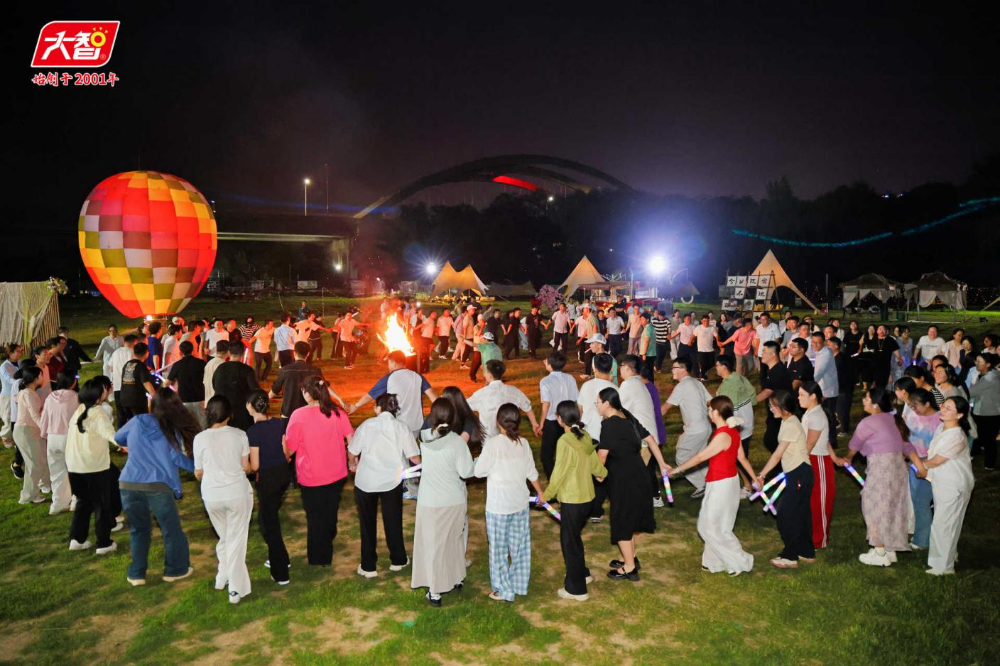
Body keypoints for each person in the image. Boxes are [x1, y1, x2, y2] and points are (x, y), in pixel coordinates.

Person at [116, 388, 198, 586]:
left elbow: (118, 437)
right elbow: (176, 457)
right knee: (171, 530)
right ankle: (175, 570)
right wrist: (198, 469)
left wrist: (134, 442)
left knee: (139, 529)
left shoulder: (137, 421)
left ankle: (137, 574)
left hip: (128, 484)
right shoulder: (170, 430)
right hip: (157, 486)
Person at [667, 396, 756, 575]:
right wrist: (755, 478)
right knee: (720, 524)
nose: (708, 412)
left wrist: (677, 470)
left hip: (721, 484)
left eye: (709, 409)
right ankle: (712, 562)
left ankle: (739, 561)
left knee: (707, 526)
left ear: (716, 412)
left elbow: (701, 457)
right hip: (729, 482)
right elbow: (742, 458)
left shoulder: (723, 435)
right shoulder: (733, 431)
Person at [832, 388, 917, 566]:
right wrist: (920, 465)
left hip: (882, 469)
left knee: (873, 507)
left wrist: (848, 458)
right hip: (898, 469)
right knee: (893, 508)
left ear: (876, 404)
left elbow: (854, 444)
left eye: (867, 398)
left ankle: (879, 553)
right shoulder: (894, 419)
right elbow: (906, 445)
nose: (864, 400)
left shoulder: (869, 422)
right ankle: (890, 550)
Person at [596, 387, 668, 581]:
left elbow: (602, 454)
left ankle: (629, 568)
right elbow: (650, 439)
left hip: (623, 477)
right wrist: (661, 463)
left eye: (598, 402)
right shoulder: (626, 415)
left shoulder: (609, 425)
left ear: (607, 404)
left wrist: (598, 474)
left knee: (621, 520)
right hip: (639, 472)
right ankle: (630, 557)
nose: (596, 406)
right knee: (628, 517)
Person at [537, 401, 607, 601]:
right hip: (587, 498)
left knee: (569, 542)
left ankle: (576, 590)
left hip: (572, 499)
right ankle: (583, 574)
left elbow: (559, 472)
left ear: (560, 419)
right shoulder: (584, 435)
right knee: (574, 537)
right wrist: (602, 473)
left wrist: (546, 495)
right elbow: (593, 461)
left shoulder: (564, 441)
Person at [475, 404, 544, 602]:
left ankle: (503, 590)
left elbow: (479, 471)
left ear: (498, 422)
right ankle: (519, 584)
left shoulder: (492, 444)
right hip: (520, 503)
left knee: (498, 550)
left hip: (499, 506)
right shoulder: (523, 443)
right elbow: (531, 472)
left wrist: (481, 459)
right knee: (520, 546)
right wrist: (540, 492)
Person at [348, 393, 421, 578]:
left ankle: (368, 566)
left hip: (366, 481)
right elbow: (414, 456)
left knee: (367, 524)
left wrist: (352, 463)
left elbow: (352, 450)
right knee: (393, 520)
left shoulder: (367, 425)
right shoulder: (401, 427)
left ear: (378, 408)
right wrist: (426, 468)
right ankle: (398, 560)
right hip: (391, 481)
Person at [284, 376, 354, 566]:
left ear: (307, 393)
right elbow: (351, 438)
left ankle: (318, 557)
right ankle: (327, 540)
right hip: (336, 473)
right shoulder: (337, 413)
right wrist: (352, 460)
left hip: (311, 475)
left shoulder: (298, 415)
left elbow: (290, 449)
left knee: (315, 516)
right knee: (330, 512)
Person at [412, 398, 475, 606]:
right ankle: (454, 578)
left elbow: (429, 435)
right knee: (453, 541)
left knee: (434, 545)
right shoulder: (457, 442)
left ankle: (435, 590)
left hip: (430, 501)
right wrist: (478, 462)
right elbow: (466, 471)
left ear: (432, 416)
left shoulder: (424, 438)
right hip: (453, 500)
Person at [193, 396, 254, 603]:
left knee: (226, 537)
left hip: (212, 496)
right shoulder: (239, 435)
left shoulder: (199, 439)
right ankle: (235, 589)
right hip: (236, 493)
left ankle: (222, 576)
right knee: (235, 541)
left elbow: (198, 472)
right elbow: (246, 467)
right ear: (229, 414)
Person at [754, 390, 816, 568]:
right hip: (800, 473)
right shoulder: (788, 421)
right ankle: (806, 552)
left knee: (786, 515)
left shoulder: (790, 425)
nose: (770, 409)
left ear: (784, 407)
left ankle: (790, 556)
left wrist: (761, 475)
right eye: (770, 406)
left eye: (773, 406)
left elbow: (777, 455)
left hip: (798, 474)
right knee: (801, 514)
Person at [916, 396, 975, 575]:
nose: (943, 409)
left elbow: (936, 460)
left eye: (949, 408)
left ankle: (943, 567)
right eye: (943, 405)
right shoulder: (942, 428)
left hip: (953, 484)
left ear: (959, 415)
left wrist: (919, 465)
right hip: (942, 482)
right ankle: (949, 555)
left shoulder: (957, 436)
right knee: (948, 522)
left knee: (944, 524)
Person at [65, 379, 119, 553]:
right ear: (98, 397)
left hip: (74, 465)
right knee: (102, 505)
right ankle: (103, 543)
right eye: (103, 389)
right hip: (94, 467)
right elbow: (111, 435)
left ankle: (77, 539)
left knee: (84, 502)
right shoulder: (98, 412)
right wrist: (126, 441)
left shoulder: (79, 410)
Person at [246, 389, 291, 585]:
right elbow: (286, 452)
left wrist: (244, 467)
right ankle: (283, 558)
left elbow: (255, 466)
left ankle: (280, 572)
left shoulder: (253, 432)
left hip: (268, 479)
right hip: (282, 475)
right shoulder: (278, 423)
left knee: (269, 523)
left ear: (250, 407)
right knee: (267, 519)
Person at [661, 356, 712, 498]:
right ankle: (711, 483)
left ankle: (702, 485)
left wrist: (650, 420)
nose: (672, 370)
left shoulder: (682, 386)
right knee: (700, 457)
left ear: (683, 369)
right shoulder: (697, 382)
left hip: (695, 430)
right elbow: (711, 401)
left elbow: (665, 408)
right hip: (705, 427)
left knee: (682, 458)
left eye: (674, 367)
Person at [901, 387, 940, 551]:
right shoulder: (913, 416)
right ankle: (921, 533)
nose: (913, 409)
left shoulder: (939, 420)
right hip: (913, 464)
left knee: (921, 501)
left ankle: (922, 540)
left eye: (916, 406)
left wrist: (922, 462)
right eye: (911, 406)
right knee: (916, 500)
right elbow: (906, 437)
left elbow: (939, 450)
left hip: (930, 467)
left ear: (927, 403)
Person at [798, 382, 835, 549]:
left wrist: (798, 462)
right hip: (810, 459)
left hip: (818, 461)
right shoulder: (809, 414)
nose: (798, 398)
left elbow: (811, 443)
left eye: (802, 395)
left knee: (819, 502)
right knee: (808, 500)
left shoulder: (816, 416)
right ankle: (808, 535)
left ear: (813, 396)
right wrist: (835, 457)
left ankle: (819, 540)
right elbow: (824, 440)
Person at [714, 356, 756, 494]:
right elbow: (753, 395)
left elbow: (727, 411)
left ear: (724, 367)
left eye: (717, 365)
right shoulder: (739, 377)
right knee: (742, 457)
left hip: (737, 428)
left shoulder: (728, 386)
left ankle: (748, 486)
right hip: (747, 423)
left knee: (738, 459)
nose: (716, 368)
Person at [39, 373, 79, 514]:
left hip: (53, 438)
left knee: (56, 472)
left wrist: (44, 434)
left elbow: (44, 417)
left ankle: (58, 504)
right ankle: (76, 500)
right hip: (69, 437)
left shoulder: (50, 397)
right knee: (75, 470)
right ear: (73, 382)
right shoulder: (75, 397)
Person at [468, 360, 539, 439]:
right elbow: (528, 407)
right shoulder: (514, 391)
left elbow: (464, 406)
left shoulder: (481, 394)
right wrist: (534, 424)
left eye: (485, 371)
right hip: (510, 438)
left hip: (489, 439)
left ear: (490, 375)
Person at [536, 352, 579, 479]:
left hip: (552, 421)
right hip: (569, 419)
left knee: (547, 454)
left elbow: (546, 403)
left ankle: (554, 480)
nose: (544, 362)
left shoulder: (545, 381)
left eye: (546, 361)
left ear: (550, 365)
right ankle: (568, 477)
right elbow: (576, 399)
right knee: (567, 451)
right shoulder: (570, 378)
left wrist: (541, 423)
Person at [13, 365, 48, 505]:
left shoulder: (29, 392)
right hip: (25, 431)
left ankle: (43, 486)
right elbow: (34, 415)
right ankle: (27, 496)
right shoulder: (27, 393)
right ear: (35, 378)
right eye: (41, 375)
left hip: (32, 430)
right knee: (34, 464)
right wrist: (45, 430)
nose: (43, 377)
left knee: (41, 459)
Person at [270, 342, 328, 418]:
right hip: (308, 412)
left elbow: (275, 389)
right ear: (308, 354)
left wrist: (263, 401)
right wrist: (339, 400)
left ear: (294, 353)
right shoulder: (315, 370)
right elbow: (324, 387)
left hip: (288, 412)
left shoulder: (285, 370)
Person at [212, 351, 260, 431]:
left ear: (229, 352)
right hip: (242, 413)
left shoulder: (220, 368)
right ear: (242, 354)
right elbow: (255, 390)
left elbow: (215, 386)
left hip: (223, 411)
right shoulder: (247, 370)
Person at [757, 341, 791, 453]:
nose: (762, 353)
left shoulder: (778, 371)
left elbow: (767, 392)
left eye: (764, 351)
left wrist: (748, 402)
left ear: (773, 355)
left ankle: (781, 461)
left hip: (781, 412)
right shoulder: (771, 370)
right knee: (771, 441)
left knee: (771, 441)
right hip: (774, 412)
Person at [164, 340, 207, 428]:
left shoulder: (177, 365)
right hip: (200, 398)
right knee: (202, 424)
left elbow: (167, 383)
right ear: (192, 350)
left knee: (187, 425)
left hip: (184, 399)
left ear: (180, 352)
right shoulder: (201, 363)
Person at [969, 352, 1000, 470]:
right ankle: (975, 452)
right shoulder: (985, 374)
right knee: (980, 434)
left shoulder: (989, 378)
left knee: (989, 439)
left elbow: (972, 391)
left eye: (979, 362)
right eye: (976, 361)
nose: (976, 363)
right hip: (982, 410)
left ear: (988, 364)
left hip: (990, 413)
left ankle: (989, 464)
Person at [1, 343, 23, 449]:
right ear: (10, 353)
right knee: (8, 417)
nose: (20, 353)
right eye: (18, 351)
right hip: (7, 396)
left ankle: (16, 437)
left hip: (18, 394)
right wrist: (21, 382)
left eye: (21, 351)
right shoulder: (4, 366)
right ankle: (6, 437)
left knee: (17, 416)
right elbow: (9, 379)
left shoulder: (20, 363)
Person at [692, 315, 718, 379]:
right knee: (703, 363)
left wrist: (718, 341)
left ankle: (702, 371)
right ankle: (703, 376)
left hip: (710, 349)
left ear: (709, 321)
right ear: (701, 321)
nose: (705, 322)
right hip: (701, 349)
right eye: (704, 321)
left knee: (712, 363)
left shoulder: (712, 328)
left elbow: (716, 336)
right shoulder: (698, 328)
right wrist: (690, 341)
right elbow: (693, 335)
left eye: (707, 320)